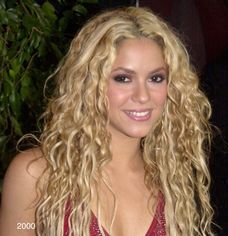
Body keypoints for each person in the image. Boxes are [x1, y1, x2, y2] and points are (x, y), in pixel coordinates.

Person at [0, 6, 214, 236]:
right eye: (123, 78)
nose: (142, 96)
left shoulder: (171, 184)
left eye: (155, 78)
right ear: (89, 83)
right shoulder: (36, 175)